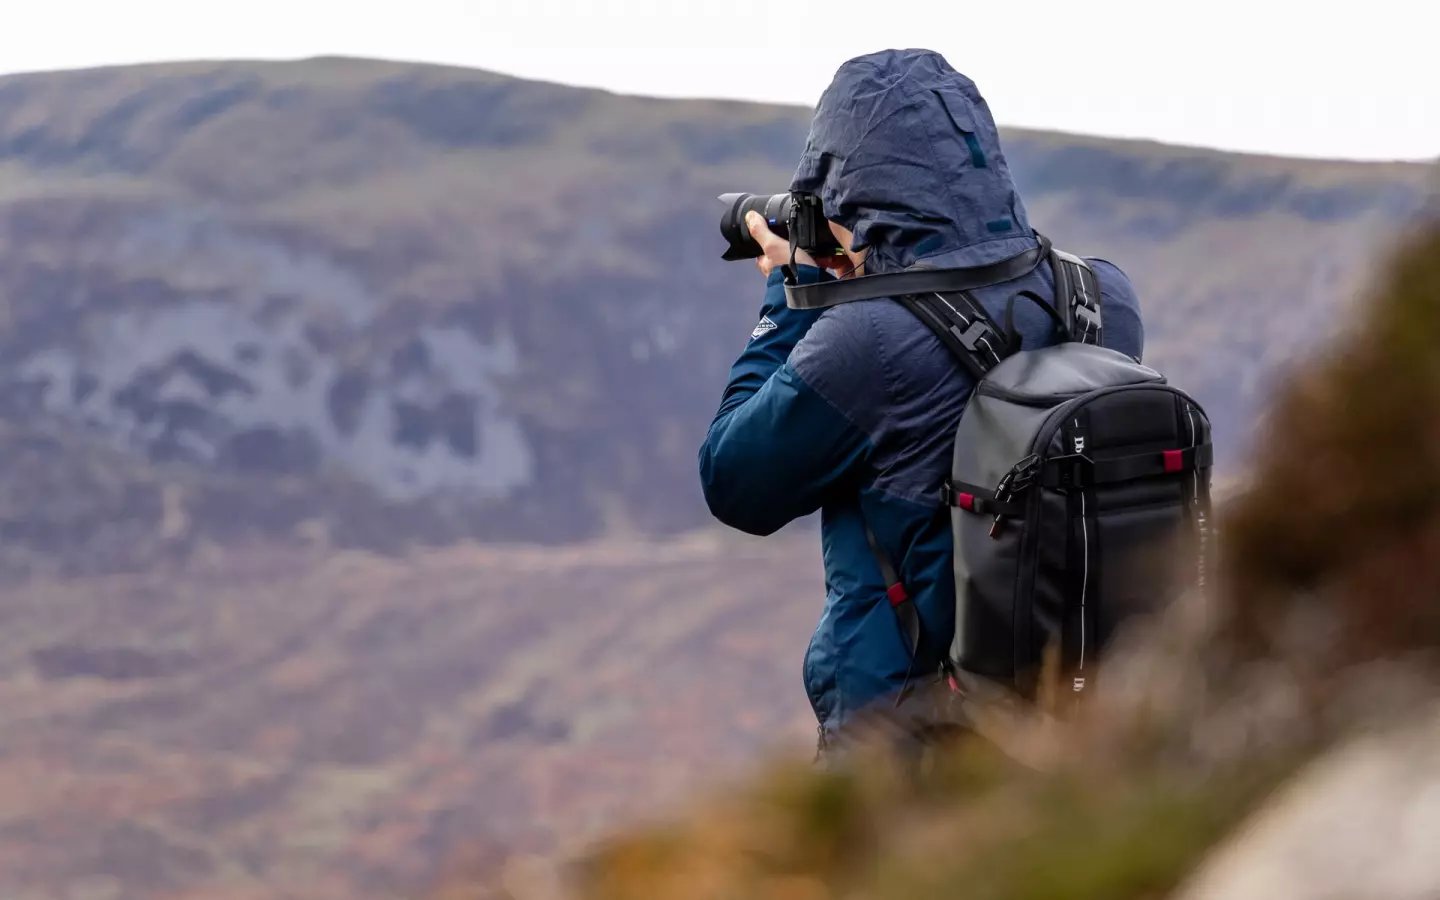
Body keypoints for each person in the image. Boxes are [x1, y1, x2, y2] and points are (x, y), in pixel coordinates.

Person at [698, 49, 1144, 757]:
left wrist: (788, 300)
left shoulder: (864, 341)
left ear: (842, 187)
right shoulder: (1099, 295)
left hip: (909, 742)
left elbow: (733, 482)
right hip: (1086, 714)